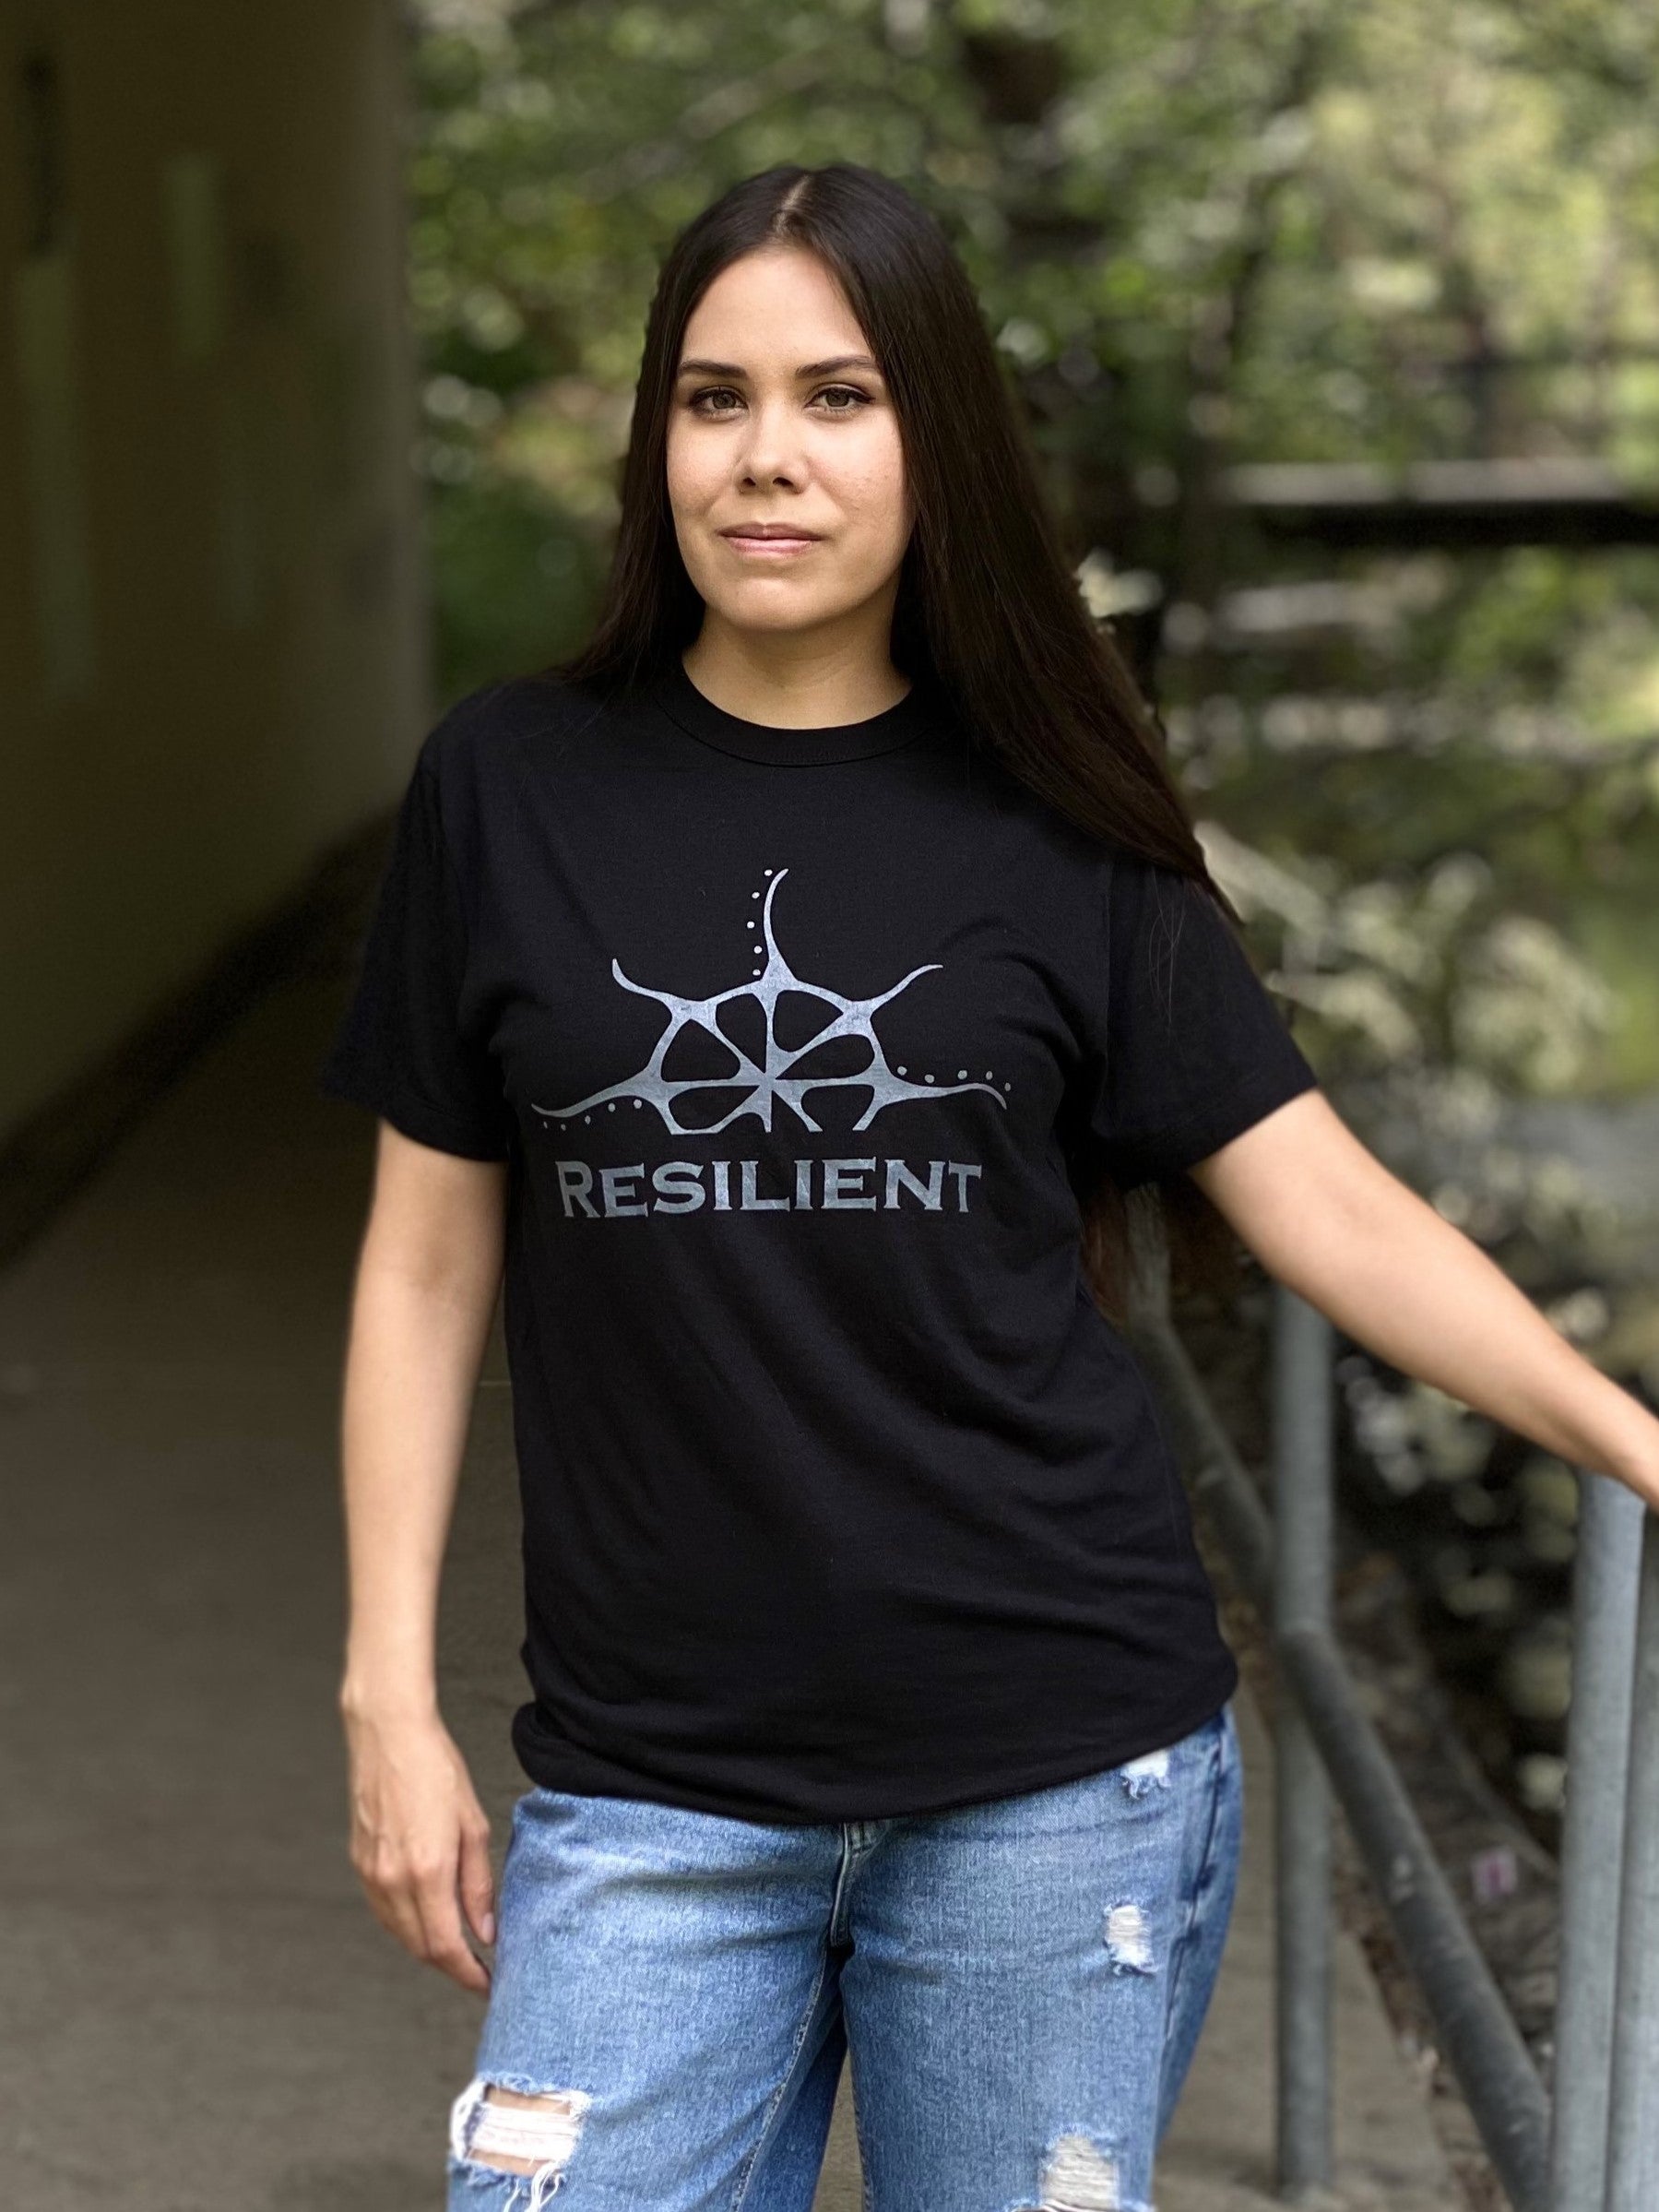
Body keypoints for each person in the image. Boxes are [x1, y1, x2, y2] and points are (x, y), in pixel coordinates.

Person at [318, 163, 1659, 2212]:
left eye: (840, 396)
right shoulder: (511, 787)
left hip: (1052, 1771)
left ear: (936, 437)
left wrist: (1633, 1436)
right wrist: (384, 1692)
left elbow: (1329, 1206)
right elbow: (423, 1269)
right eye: (713, 397)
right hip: (651, 1778)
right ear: (657, 439)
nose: (767, 457)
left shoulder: (1062, 813)